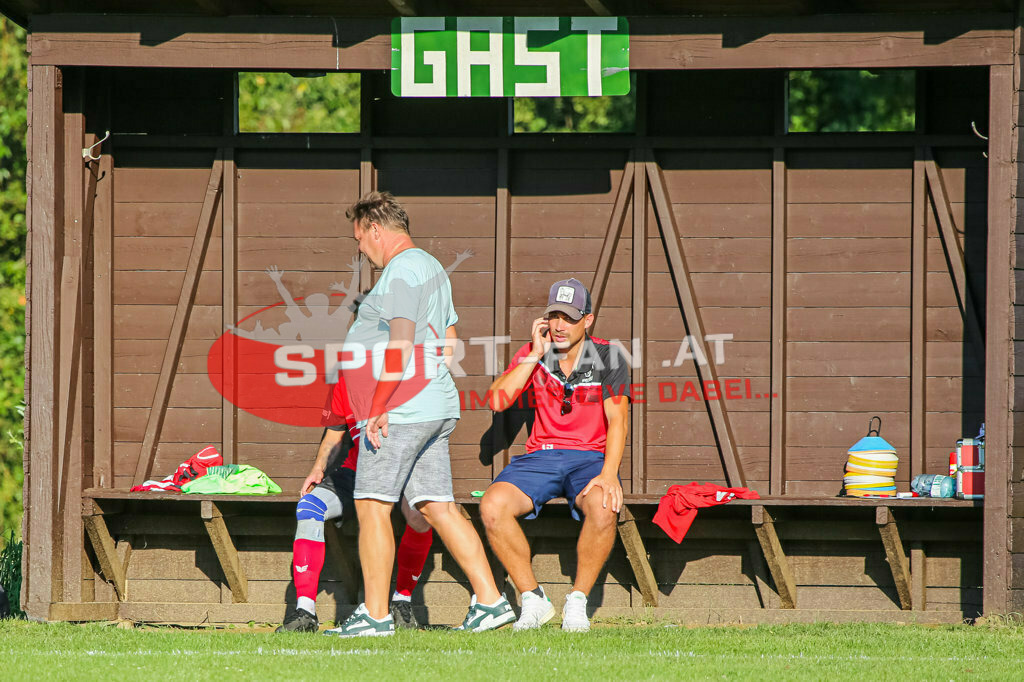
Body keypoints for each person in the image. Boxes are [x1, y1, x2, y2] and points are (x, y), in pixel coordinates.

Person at [326, 191, 513, 637]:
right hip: (433, 404)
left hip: (402, 410)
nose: (359, 248)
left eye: (359, 237)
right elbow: (448, 342)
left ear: (375, 228)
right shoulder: (431, 267)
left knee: (372, 504)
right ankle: (491, 601)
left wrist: (379, 404)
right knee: (436, 505)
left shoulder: (401, 271)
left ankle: (375, 616)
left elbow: (400, 343)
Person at [480, 278, 630, 632]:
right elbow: (497, 401)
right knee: (492, 506)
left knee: (605, 505)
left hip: (590, 458)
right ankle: (533, 599)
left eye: (570, 317)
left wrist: (609, 474)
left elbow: (618, 420)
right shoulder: (535, 353)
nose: (560, 325)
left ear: (588, 320)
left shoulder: (610, 354)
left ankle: (577, 602)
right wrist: (533, 355)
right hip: (542, 457)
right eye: (555, 316)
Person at [276, 374, 435, 633]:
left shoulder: (404, 375)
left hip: (404, 470)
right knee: (309, 508)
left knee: (420, 516)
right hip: (357, 472)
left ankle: (401, 604)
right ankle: (305, 612)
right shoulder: (346, 381)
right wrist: (318, 468)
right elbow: (334, 433)